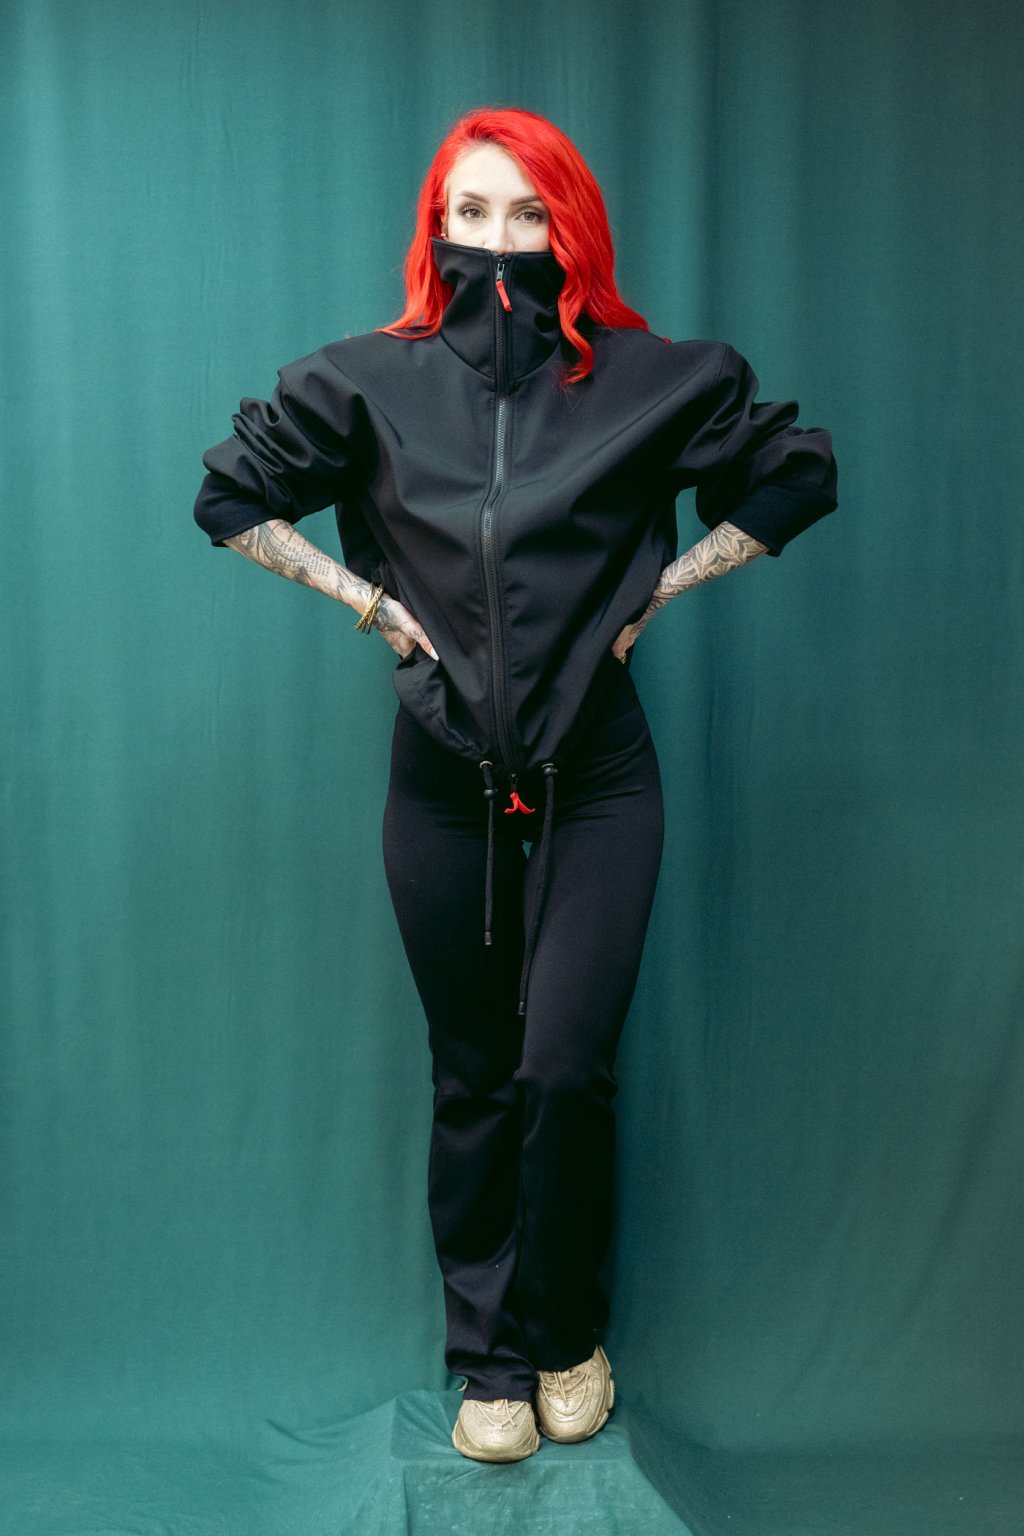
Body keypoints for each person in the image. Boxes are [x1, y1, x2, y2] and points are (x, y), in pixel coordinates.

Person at [192, 105, 838, 1464]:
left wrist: (661, 588)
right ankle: (487, 1362)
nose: (498, 245)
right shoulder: (368, 382)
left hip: (597, 770)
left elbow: (795, 472)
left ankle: (565, 1334)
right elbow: (232, 495)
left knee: (561, 1069)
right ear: (436, 228)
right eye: (471, 214)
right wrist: (369, 602)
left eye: (528, 216)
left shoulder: (654, 382)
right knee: (475, 1071)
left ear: (570, 227)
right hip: (441, 777)